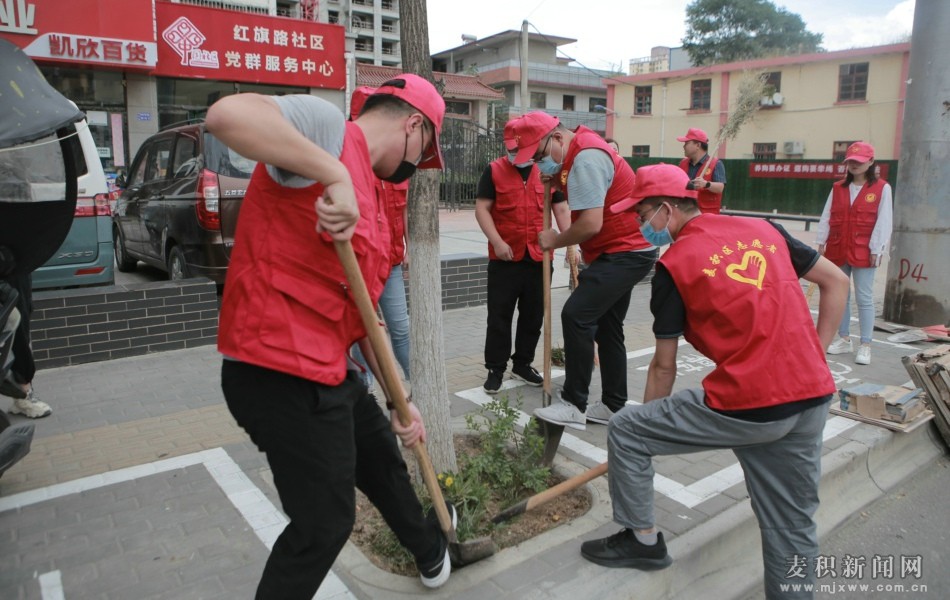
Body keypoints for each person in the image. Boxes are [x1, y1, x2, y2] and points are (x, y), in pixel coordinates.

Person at [206, 74, 454, 599]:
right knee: (324, 523)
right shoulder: (328, 131)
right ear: (414, 126)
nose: (415, 167)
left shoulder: (374, 196)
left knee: (382, 459)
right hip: (276, 370)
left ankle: (432, 551)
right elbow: (226, 117)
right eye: (424, 152)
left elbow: (364, 315)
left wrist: (400, 399)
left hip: (329, 369)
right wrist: (331, 172)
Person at [581, 164, 849, 600]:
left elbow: (663, 367)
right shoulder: (763, 229)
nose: (639, 225)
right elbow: (837, 282)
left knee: (627, 428)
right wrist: (812, 358)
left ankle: (641, 540)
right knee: (791, 524)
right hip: (812, 394)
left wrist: (643, 436)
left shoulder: (674, 265)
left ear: (666, 209)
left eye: (641, 215)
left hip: (751, 401)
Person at [507, 112, 657, 430]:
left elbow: (590, 224)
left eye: (539, 156)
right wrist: (555, 175)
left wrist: (556, 240)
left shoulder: (587, 158)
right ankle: (613, 405)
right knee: (608, 327)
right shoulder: (576, 153)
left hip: (625, 251)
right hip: (621, 250)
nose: (538, 164)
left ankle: (574, 404)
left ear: (557, 138)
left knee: (576, 315)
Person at [474, 118, 572, 394]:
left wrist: (571, 245)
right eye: (511, 150)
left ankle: (522, 364)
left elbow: (561, 210)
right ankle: (495, 368)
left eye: (519, 149)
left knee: (533, 316)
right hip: (505, 257)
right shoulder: (494, 170)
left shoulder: (547, 170)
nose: (515, 154)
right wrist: (497, 241)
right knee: (499, 317)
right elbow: (482, 209)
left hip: (540, 257)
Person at [348, 86, 412, 383]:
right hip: (359, 265)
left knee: (401, 328)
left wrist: (409, 248)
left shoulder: (395, 163)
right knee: (364, 331)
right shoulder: (348, 162)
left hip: (392, 263)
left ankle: (417, 384)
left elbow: (404, 210)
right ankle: (366, 391)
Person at [815, 141, 892, 366]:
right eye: (850, 162)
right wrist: (821, 241)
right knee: (841, 295)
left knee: (864, 297)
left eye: (859, 161)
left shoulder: (882, 188)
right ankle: (844, 338)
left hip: (864, 250)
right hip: (838, 247)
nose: (854, 165)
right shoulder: (838, 187)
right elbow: (827, 215)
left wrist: (877, 248)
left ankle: (865, 344)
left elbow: (884, 221)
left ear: (871, 162)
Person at [0, 245, 52, 418]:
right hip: (9, 266)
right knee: (16, 323)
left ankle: (23, 394)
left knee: (19, 324)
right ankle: (24, 393)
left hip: (14, 264)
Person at [677, 128, 726, 214]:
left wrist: (706, 184)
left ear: (698, 145)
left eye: (687, 143)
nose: (684, 146)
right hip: (686, 213)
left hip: (706, 215)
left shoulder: (716, 164)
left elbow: (720, 188)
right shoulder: (683, 164)